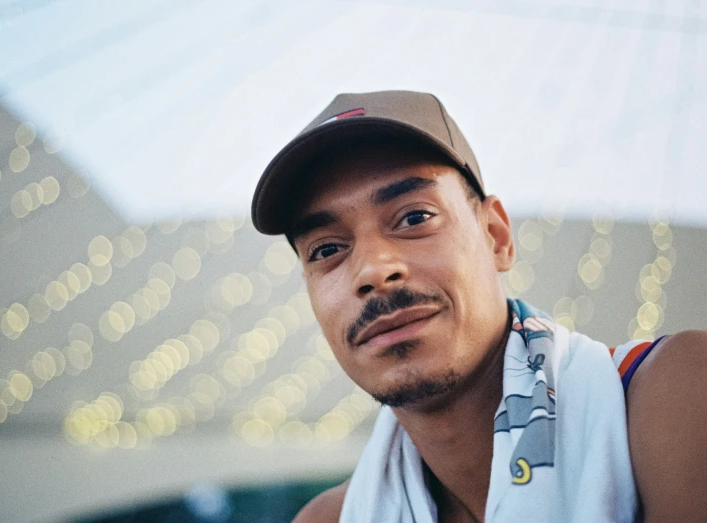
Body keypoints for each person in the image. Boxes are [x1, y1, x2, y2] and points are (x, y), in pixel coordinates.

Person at [250, 91, 707, 522]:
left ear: (496, 236)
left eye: (414, 218)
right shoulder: (330, 518)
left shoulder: (675, 395)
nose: (372, 269)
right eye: (327, 250)